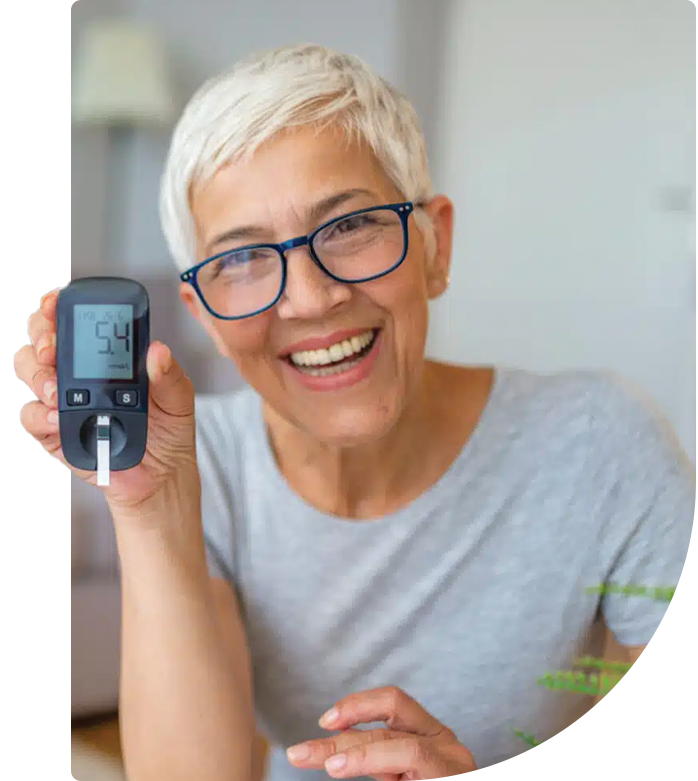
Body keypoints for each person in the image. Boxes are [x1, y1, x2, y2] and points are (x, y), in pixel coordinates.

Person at [15, 44, 696, 781]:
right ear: (205, 316)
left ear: (435, 244)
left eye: (349, 226)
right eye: (241, 259)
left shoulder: (600, 444)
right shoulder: (195, 460)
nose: (308, 299)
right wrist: (150, 509)